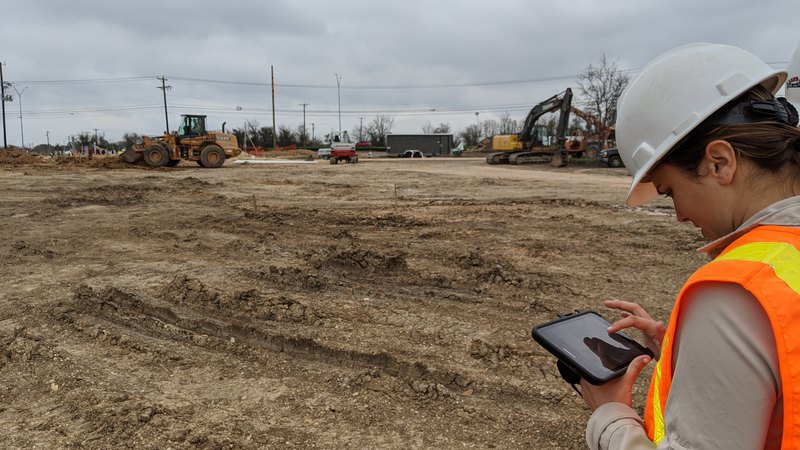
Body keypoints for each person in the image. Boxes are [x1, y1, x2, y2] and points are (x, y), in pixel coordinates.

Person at [581, 42, 800, 449]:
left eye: (669, 191)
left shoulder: (738, 293)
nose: (680, 214)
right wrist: (699, 359)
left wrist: (609, 416)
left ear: (719, 162)